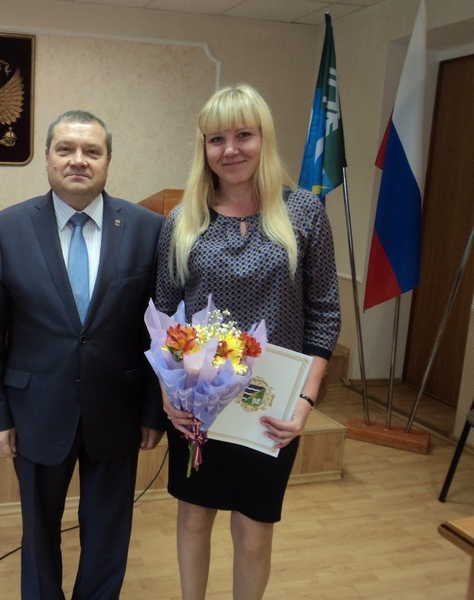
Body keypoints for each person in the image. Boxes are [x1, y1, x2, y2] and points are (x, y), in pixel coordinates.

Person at [153, 84, 341, 599]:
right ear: (204, 148)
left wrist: (305, 402)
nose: (230, 149)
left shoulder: (304, 213)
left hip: (271, 408)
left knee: (254, 531)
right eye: (217, 139)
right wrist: (168, 395)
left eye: (244, 135)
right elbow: (165, 314)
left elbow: (324, 314)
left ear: (264, 139)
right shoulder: (182, 220)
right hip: (197, 403)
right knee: (194, 518)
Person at [0, 110, 166, 600]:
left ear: (107, 161)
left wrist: (153, 411)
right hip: (34, 409)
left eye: (91, 151)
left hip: (117, 408)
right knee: (38, 532)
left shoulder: (147, 229)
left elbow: (156, 331)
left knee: (109, 532)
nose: (78, 160)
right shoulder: (7, 228)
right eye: (66, 149)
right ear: (47, 158)